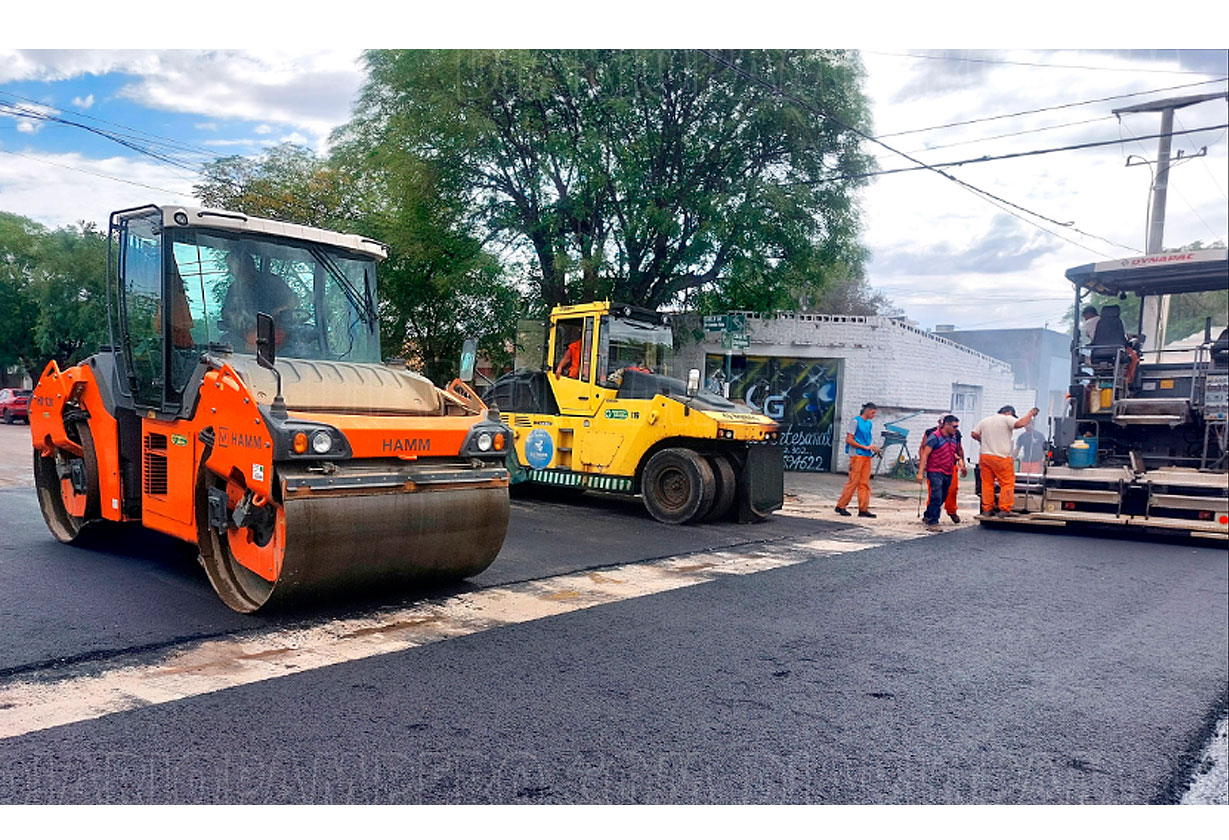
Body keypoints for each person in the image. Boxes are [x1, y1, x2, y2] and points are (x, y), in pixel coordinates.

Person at [219, 247, 297, 349]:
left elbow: (293, 301)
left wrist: (280, 309)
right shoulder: (233, 289)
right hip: (245, 337)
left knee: (297, 346)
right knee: (224, 347)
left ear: (246, 265)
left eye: (231, 267)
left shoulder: (273, 282)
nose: (230, 271)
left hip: (275, 334)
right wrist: (233, 317)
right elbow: (227, 314)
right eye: (229, 268)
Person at [971, 405, 1039, 517]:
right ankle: (1005, 509)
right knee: (1007, 483)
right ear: (1009, 412)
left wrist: (982, 441)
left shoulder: (985, 421)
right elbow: (1020, 424)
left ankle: (987, 509)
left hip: (985, 457)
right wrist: (1030, 414)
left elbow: (974, 434)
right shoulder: (1007, 418)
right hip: (1001, 457)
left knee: (987, 484)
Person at [834, 402, 881, 518]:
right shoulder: (855, 421)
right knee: (853, 481)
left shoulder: (869, 423)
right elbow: (849, 440)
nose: (874, 415)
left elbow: (866, 440)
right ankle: (841, 505)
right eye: (873, 412)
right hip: (857, 454)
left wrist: (871, 447)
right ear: (867, 411)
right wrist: (864, 447)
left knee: (864, 482)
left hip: (866, 454)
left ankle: (863, 509)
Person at [917, 415, 962, 532]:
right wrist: (920, 473)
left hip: (948, 470)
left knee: (942, 496)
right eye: (954, 426)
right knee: (936, 496)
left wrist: (960, 460)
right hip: (935, 471)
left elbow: (952, 452)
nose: (956, 429)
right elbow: (925, 454)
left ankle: (928, 514)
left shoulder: (954, 437)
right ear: (946, 425)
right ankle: (933, 522)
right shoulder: (934, 437)